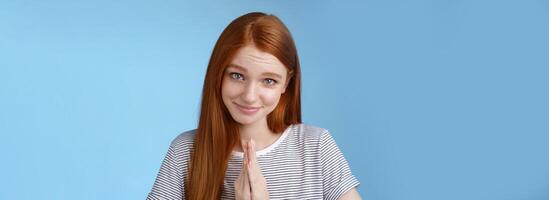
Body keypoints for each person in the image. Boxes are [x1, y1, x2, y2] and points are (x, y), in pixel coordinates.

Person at [146, 12, 361, 200]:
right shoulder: (185, 151)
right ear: (218, 75)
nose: (249, 96)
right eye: (237, 76)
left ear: (287, 83)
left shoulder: (316, 147)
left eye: (269, 81)